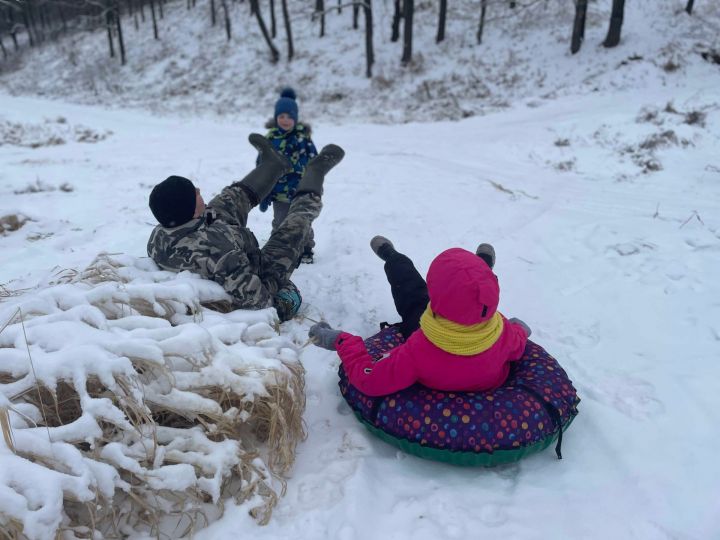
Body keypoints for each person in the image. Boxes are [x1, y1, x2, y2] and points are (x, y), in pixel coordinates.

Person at [147, 133, 344, 321]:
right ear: (189, 209)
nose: (199, 190)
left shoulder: (160, 234)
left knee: (229, 199)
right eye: (195, 193)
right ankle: (315, 172)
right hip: (258, 267)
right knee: (296, 222)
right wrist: (284, 296)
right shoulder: (221, 254)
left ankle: (273, 165)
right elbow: (259, 300)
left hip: (213, 235)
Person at [308, 238, 532, 396]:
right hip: (478, 318)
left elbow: (370, 379)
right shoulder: (502, 332)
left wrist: (341, 341)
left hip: (434, 335)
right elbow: (519, 341)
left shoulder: (420, 349)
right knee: (465, 295)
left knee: (413, 295)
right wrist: (520, 327)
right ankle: (480, 273)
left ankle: (392, 257)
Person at [258, 88, 319, 264]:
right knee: (279, 222)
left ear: (295, 118)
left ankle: (306, 248)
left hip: (301, 189)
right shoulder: (271, 138)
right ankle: (278, 248)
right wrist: (264, 190)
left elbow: (314, 161)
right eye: (281, 116)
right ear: (276, 118)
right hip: (279, 191)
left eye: (289, 117)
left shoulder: (302, 138)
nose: (285, 120)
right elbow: (262, 163)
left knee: (302, 220)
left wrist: (312, 182)